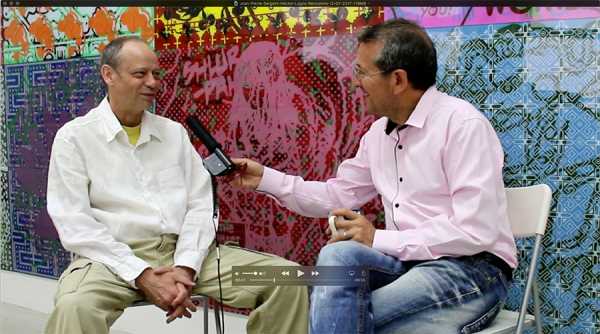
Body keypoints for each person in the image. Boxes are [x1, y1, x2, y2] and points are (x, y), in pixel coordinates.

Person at [232, 19, 517, 334]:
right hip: (407, 264)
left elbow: (474, 231)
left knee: (346, 318)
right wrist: (264, 178)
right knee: (337, 255)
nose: (354, 81)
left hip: (473, 269)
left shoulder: (462, 125)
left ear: (397, 80)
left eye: (362, 72)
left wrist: (376, 238)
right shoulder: (377, 135)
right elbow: (336, 195)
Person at [44, 35, 308, 334]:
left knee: (287, 277)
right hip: (110, 261)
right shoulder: (74, 138)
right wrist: (141, 274)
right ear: (109, 75)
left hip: (185, 253)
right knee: (74, 307)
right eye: (140, 74)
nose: (153, 83)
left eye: (156, 74)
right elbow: (74, 222)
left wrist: (184, 267)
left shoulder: (174, 134)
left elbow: (201, 206)